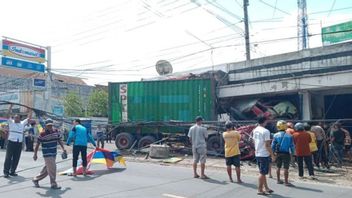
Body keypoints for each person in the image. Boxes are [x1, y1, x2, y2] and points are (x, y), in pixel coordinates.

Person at [32, 119, 66, 189]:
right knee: (53, 168)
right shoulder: (42, 134)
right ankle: (53, 184)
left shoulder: (56, 132)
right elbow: (37, 144)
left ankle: (36, 179)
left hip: (54, 153)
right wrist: (35, 154)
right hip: (47, 154)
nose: (50, 127)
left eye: (51, 125)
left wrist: (64, 148)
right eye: (48, 126)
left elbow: (59, 140)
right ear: (45, 126)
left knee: (48, 169)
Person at [3, 104, 32, 178]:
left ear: (20, 119)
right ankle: (6, 172)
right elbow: (7, 115)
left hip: (19, 144)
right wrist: (10, 107)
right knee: (8, 158)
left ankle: (12, 171)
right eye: (15, 117)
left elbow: (29, 117)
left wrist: (30, 109)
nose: (15, 119)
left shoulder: (22, 123)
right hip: (11, 143)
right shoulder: (11, 122)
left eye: (17, 118)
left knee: (16, 158)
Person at [252, 116, 275, 195]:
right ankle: (259, 189)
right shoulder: (266, 131)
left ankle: (266, 188)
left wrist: (256, 149)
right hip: (264, 154)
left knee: (263, 172)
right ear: (264, 121)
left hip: (258, 153)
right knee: (262, 173)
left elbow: (254, 141)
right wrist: (272, 155)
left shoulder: (255, 130)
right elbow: (267, 145)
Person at [271, 120, 295, 187]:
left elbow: (273, 145)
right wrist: (293, 154)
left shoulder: (275, 135)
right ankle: (286, 182)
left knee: (278, 167)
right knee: (286, 168)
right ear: (285, 127)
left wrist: (272, 153)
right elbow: (292, 146)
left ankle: (278, 180)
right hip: (286, 153)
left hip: (278, 153)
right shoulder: (289, 135)